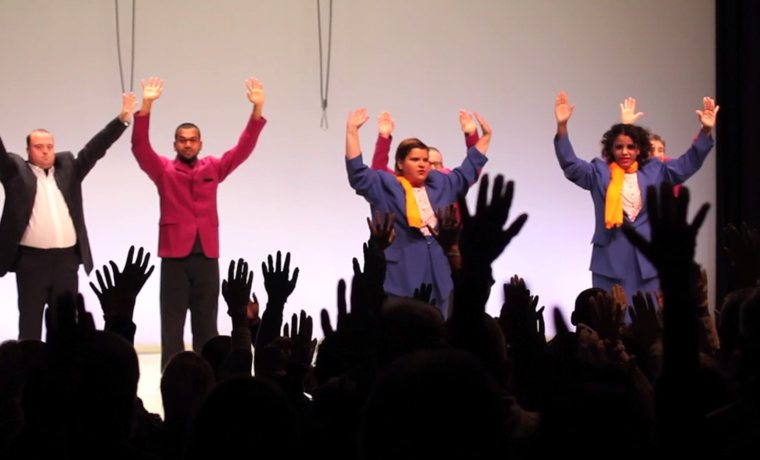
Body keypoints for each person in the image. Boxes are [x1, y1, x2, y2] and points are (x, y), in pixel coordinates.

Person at [131, 76, 266, 369]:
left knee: (206, 325)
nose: (188, 144)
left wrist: (257, 110)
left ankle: (210, 378)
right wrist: (147, 105)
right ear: (175, 143)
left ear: (200, 143)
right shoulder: (164, 170)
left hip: (206, 255)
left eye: (192, 140)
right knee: (172, 326)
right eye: (182, 140)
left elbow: (242, 149)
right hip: (174, 258)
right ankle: (171, 379)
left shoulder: (212, 168)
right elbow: (140, 147)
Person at [553, 91, 718, 303]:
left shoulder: (655, 171)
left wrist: (706, 130)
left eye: (631, 147)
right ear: (611, 149)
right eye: (619, 147)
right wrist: (562, 127)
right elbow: (571, 165)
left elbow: (688, 164)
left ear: (639, 149)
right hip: (610, 265)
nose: (625, 152)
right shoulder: (599, 172)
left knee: (646, 319)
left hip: (648, 265)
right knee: (611, 318)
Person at [0, 94, 135, 340]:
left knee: (66, 327)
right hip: (31, 262)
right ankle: (29, 364)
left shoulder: (69, 170)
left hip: (66, 262)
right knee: (30, 325)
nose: (45, 151)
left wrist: (122, 119)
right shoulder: (15, 172)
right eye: (38, 147)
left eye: (49, 146)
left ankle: (64, 365)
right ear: (28, 150)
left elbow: (96, 148)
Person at [345, 108, 490, 316]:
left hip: (440, 276)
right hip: (400, 276)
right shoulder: (387, 186)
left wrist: (483, 136)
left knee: (440, 326)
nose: (422, 164)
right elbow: (358, 174)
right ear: (400, 163)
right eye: (415, 160)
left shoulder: (441, 183)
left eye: (425, 160)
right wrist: (352, 131)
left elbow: (468, 170)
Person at [370, 109, 480, 174]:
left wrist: (471, 135)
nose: (432, 168)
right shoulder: (399, 186)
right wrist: (384, 137)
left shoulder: (449, 186)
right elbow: (378, 172)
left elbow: (472, 169)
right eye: (429, 163)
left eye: (438, 164)